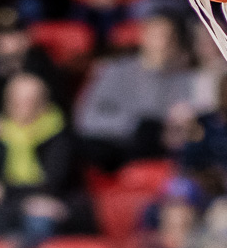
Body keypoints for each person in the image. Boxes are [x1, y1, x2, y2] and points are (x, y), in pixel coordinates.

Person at [73, 12, 193, 170]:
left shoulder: (185, 77)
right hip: (111, 146)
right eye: (157, 35)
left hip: (158, 150)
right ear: (144, 36)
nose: (163, 43)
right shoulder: (114, 71)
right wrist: (134, 125)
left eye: (169, 37)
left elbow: (182, 126)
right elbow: (86, 118)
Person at [0, 72, 80, 248]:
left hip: (55, 206)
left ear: (43, 103)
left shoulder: (59, 136)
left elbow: (51, 185)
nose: (20, 105)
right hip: (10, 207)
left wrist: (7, 193)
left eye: (29, 100)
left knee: (38, 221)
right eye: (15, 100)